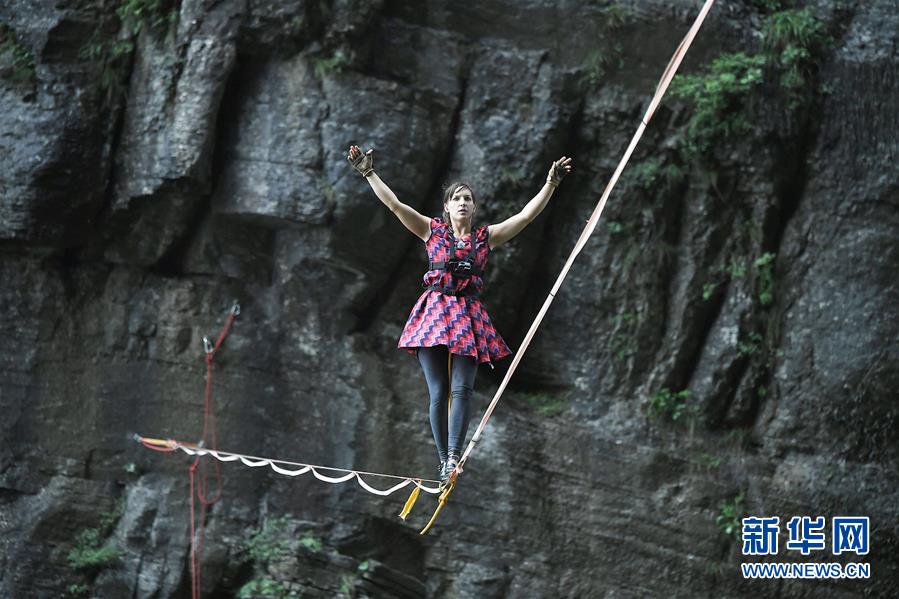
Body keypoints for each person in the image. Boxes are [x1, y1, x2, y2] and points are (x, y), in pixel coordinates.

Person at [347, 144, 572, 484]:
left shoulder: (486, 238)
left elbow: (525, 217)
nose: (463, 203)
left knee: (462, 389)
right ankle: (444, 460)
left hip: (468, 315)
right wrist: (368, 172)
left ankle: (454, 455)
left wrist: (550, 184)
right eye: (457, 198)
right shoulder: (431, 231)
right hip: (435, 312)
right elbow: (394, 205)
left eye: (468, 198)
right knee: (439, 390)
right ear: (447, 207)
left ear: (474, 207)